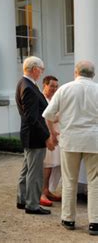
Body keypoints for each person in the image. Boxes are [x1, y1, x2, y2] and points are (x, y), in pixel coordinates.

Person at [42, 60, 98, 235]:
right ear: (93, 74)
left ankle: (68, 218)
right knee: (95, 181)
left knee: (69, 180)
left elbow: (48, 114)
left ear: (76, 72)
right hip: (93, 140)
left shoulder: (64, 89)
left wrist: (52, 134)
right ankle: (95, 221)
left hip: (70, 140)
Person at [15, 56, 54, 215]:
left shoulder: (25, 84)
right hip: (34, 135)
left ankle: (22, 199)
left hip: (30, 134)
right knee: (35, 171)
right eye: (41, 69)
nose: (42, 72)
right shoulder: (29, 87)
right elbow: (32, 117)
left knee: (27, 169)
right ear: (34, 69)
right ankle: (32, 204)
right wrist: (46, 136)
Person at [40, 75, 61, 206]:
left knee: (53, 164)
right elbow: (44, 118)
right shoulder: (41, 99)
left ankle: (47, 190)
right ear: (45, 85)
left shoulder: (54, 99)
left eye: (56, 86)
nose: (54, 88)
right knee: (46, 165)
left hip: (56, 135)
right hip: (47, 136)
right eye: (52, 86)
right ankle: (42, 192)